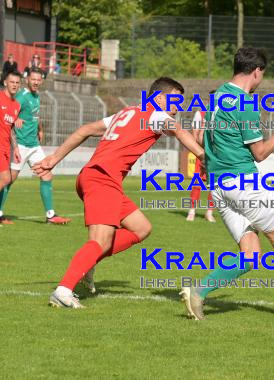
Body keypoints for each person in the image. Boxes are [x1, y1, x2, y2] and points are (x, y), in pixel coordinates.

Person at [32, 77, 206, 308]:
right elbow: (178, 130)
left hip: (96, 177)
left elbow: (86, 129)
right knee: (100, 241)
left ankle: (88, 263)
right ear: (160, 98)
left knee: (141, 228)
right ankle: (63, 290)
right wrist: (204, 157)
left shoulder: (129, 112)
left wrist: (54, 158)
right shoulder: (156, 114)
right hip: (103, 178)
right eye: (175, 100)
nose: (178, 107)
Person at [179, 47, 274, 322]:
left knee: (251, 255)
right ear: (256, 72)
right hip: (244, 182)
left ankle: (198, 291)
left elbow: (208, 139)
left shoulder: (217, 96)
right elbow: (260, 153)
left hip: (218, 186)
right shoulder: (244, 104)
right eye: (261, 75)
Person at [0, 68, 71, 225]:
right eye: (33, 79)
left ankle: (51, 215)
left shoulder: (36, 96)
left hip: (34, 145)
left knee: (46, 175)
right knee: (8, 180)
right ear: (27, 80)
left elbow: (34, 116)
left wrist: (40, 129)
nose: (36, 82)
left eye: (39, 80)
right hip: (20, 143)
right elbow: (11, 114)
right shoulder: (21, 97)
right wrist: (16, 122)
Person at [186, 90, 216, 223]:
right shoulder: (201, 113)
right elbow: (194, 134)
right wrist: (200, 151)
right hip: (202, 154)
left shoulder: (223, 115)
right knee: (197, 183)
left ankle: (209, 212)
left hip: (216, 155)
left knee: (214, 185)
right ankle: (192, 211)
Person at [0, 72, 22, 210]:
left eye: (17, 82)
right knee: (6, 178)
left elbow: (11, 129)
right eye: (12, 82)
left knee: (5, 179)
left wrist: (16, 148)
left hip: (7, 147)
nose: (14, 85)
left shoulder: (17, 105)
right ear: (5, 83)